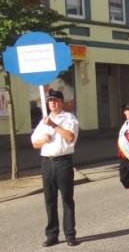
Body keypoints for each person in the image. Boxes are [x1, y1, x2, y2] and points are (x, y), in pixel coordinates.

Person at [31, 89, 79, 247]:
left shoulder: (69, 118)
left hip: (63, 162)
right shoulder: (43, 120)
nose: (52, 103)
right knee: (49, 200)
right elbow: (34, 143)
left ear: (61, 102)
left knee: (66, 199)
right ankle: (52, 235)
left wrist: (53, 125)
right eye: (50, 100)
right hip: (46, 163)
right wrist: (43, 140)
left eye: (56, 100)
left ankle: (70, 234)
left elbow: (71, 137)